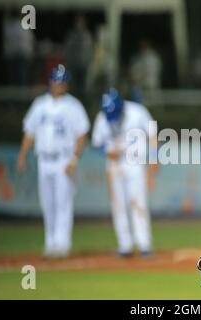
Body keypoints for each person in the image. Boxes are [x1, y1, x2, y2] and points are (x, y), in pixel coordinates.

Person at [17, 64, 90, 258]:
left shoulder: (73, 105)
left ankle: (62, 244)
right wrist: (22, 155)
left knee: (63, 202)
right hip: (44, 160)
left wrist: (74, 158)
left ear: (66, 84)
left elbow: (82, 134)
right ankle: (50, 243)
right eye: (56, 80)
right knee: (47, 204)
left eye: (62, 81)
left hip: (63, 159)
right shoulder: (39, 104)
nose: (58, 84)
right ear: (50, 81)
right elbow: (29, 132)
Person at [92, 88, 158, 257]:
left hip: (135, 162)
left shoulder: (137, 111)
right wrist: (107, 151)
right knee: (118, 205)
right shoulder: (103, 117)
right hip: (114, 164)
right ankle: (125, 245)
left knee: (138, 202)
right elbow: (97, 142)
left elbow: (152, 134)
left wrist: (154, 158)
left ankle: (144, 244)